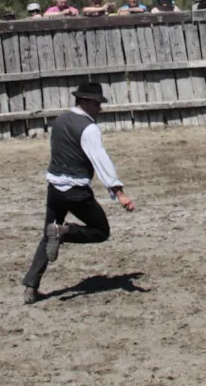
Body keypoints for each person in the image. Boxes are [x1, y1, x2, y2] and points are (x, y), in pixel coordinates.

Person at [21, 81, 136, 305]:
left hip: (54, 188)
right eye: (96, 104)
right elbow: (100, 160)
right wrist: (119, 192)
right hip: (76, 191)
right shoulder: (89, 128)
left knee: (48, 233)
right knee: (101, 230)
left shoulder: (60, 121)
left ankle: (31, 286)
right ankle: (64, 232)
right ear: (84, 102)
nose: (99, 109)